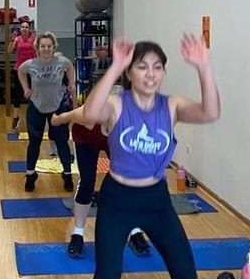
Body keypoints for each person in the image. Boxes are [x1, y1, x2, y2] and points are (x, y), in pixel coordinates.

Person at [52, 35, 220, 279]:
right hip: (118, 200)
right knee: (108, 276)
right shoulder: (117, 105)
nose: (150, 73)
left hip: (156, 200)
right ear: (131, 73)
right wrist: (116, 64)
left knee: (186, 273)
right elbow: (90, 114)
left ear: (164, 73)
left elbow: (210, 112)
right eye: (142, 66)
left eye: (157, 67)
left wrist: (203, 66)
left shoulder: (171, 106)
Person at [66, 121, 150, 259]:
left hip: (116, 134)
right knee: (87, 182)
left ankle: (135, 231)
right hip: (86, 135)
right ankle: (77, 233)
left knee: (127, 180)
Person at [17, 32, 76, 193]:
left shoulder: (61, 62)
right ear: (37, 48)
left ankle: (67, 174)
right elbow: (20, 71)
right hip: (36, 107)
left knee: (61, 141)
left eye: (49, 46)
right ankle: (30, 175)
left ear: (54, 47)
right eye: (43, 46)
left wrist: (71, 83)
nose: (46, 49)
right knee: (34, 142)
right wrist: (26, 89)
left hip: (57, 108)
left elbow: (70, 66)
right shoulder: (31, 64)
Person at [8, 20, 36, 130]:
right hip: (19, 70)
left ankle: (34, 117)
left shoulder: (33, 39)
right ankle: (16, 117)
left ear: (29, 29)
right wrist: (11, 39)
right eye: (23, 27)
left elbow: (39, 52)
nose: (24, 29)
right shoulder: (17, 39)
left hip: (31, 70)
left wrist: (36, 40)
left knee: (33, 94)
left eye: (26, 27)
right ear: (20, 29)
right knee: (17, 94)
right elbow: (9, 50)